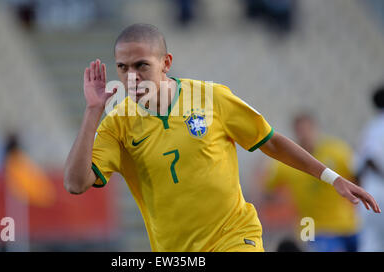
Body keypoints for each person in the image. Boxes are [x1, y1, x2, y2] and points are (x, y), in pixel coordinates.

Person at [63, 23, 380, 252]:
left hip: (235, 237)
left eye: (141, 65)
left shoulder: (211, 97)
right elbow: (76, 184)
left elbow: (269, 141)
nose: (132, 76)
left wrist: (331, 176)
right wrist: (93, 111)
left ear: (166, 63)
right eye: (123, 67)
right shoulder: (116, 124)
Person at [265, 113, 360, 252]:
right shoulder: (285, 162)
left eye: (307, 129)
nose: (305, 134)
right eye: (300, 130)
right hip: (309, 226)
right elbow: (267, 190)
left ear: (316, 129)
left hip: (345, 222)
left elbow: (358, 177)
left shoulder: (337, 151)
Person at [355, 85, 384, 251]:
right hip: (379, 188)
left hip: (370, 190)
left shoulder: (371, 127)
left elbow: (360, 165)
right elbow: (371, 159)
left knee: (371, 242)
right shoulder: (378, 126)